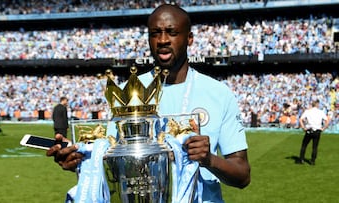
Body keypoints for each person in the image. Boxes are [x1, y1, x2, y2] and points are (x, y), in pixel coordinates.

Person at [47, 4, 250, 202]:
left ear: (189, 39)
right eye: (155, 33)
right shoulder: (130, 92)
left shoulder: (219, 94)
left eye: (171, 32)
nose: (162, 40)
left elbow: (243, 175)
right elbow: (109, 157)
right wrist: (80, 158)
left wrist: (209, 160)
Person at [297, 99, 329, 165]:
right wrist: (323, 128)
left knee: (304, 145)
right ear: (317, 105)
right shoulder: (320, 112)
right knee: (315, 146)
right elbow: (327, 121)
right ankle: (313, 161)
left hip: (309, 129)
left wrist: (303, 127)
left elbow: (300, 119)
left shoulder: (308, 111)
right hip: (317, 130)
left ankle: (301, 159)